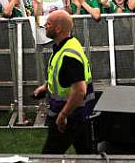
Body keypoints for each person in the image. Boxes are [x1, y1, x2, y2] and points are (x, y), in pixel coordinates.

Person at [32, 10, 95, 154]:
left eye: (48, 24)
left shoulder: (68, 55)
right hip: (80, 115)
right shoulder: (67, 44)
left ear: (58, 28)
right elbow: (63, 77)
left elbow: (80, 91)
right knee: (86, 154)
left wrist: (63, 115)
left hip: (69, 117)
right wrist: (46, 87)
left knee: (49, 157)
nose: (45, 26)